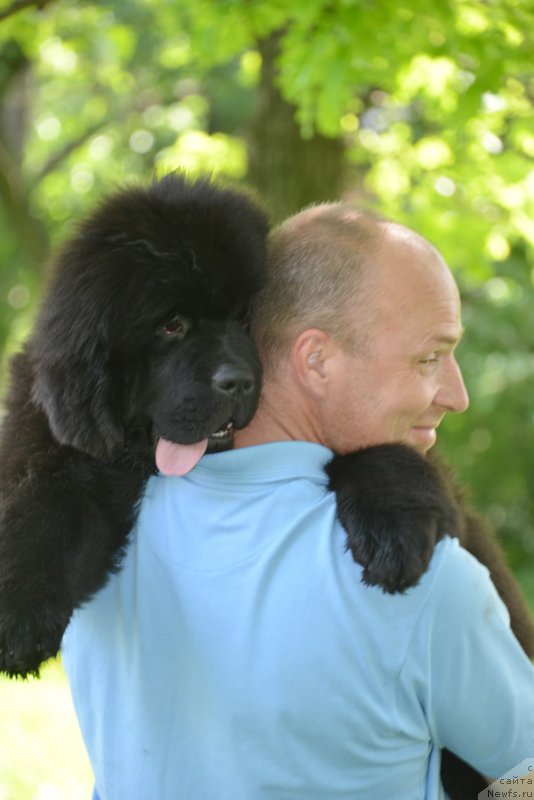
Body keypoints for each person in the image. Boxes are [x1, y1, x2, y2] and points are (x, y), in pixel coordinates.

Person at [62, 203, 534, 800]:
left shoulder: (92, 534)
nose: (456, 395)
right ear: (317, 361)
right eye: (429, 358)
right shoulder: (421, 579)